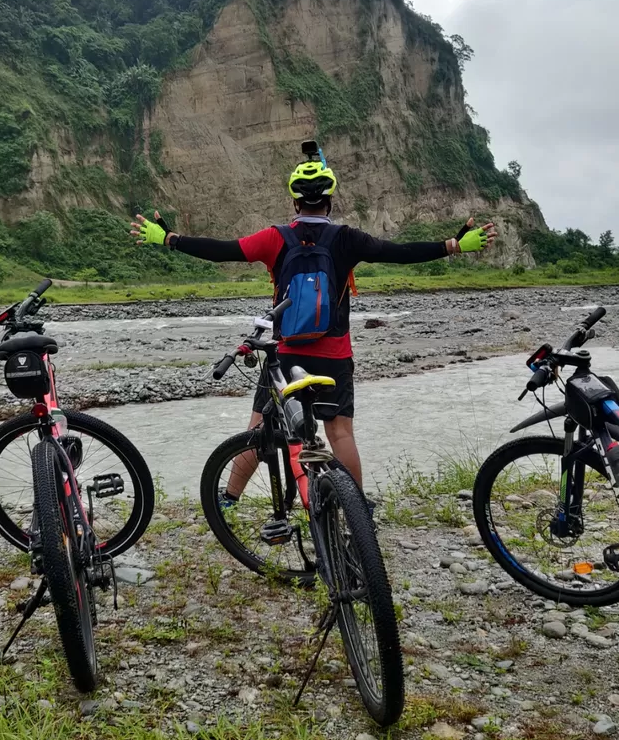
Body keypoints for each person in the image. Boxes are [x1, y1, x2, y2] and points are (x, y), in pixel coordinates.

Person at [130, 140, 497, 505]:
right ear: (330, 200)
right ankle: (356, 506)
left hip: (286, 355)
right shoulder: (347, 239)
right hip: (335, 354)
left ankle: (230, 497)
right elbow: (399, 253)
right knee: (339, 434)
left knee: (260, 428)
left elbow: (223, 249)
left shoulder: (275, 238)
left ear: (294, 202)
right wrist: (453, 245)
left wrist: (170, 239)